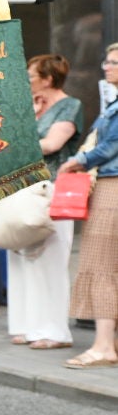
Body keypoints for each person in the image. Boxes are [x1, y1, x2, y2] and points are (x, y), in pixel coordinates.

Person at [8, 54, 82, 349]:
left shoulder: (70, 105)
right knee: (20, 256)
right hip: (23, 187)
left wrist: (14, 142)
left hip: (52, 188)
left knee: (50, 258)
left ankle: (54, 330)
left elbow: (52, 145)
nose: (27, 82)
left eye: (31, 76)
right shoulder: (33, 107)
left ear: (48, 79)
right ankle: (26, 325)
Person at [58, 43, 118, 368]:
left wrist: (78, 161)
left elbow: (109, 146)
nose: (106, 67)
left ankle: (103, 346)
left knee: (101, 265)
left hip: (112, 188)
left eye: (113, 62)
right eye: (106, 60)